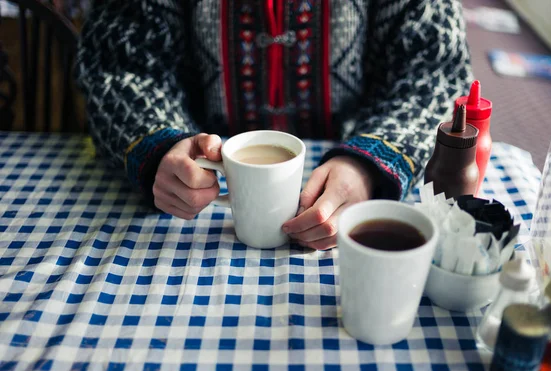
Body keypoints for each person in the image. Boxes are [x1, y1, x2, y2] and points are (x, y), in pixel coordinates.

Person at [74, 0, 472, 250]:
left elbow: (435, 70)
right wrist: (159, 145)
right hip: (191, 206)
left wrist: (369, 165)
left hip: (351, 187)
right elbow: (118, 64)